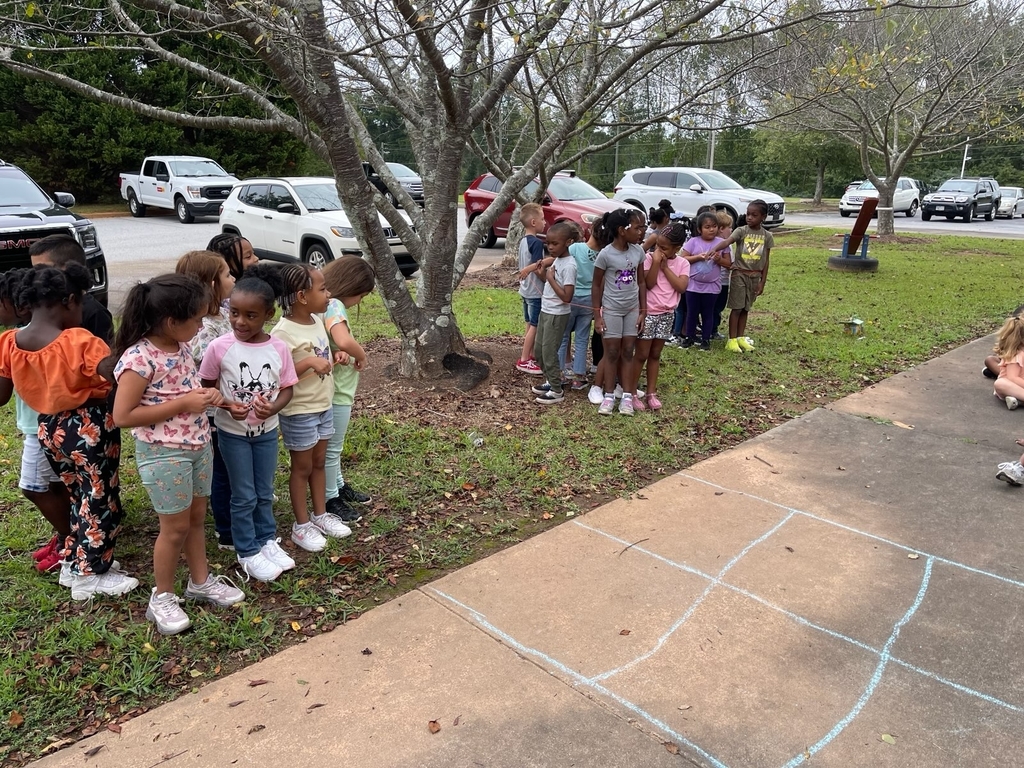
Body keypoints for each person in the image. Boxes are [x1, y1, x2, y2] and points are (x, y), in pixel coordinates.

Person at [112, 274, 244, 634]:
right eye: (197, 319)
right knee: (173, 528)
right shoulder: (139, 359)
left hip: (198, 445)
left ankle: (200, 581)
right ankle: (163, 596)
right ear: (172, 321)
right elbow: (123, 415)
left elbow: (187, 390)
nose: (202, 325)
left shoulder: (181, 346)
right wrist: (184, 403)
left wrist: (212, 399)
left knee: (196, 519)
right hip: (163, 454)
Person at [0, 265, 138, 600]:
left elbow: (2, 394)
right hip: (87, 426)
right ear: (69, 300)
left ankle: (75, 563)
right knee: (100, 498)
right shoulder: (79, 341)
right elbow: (113, 374)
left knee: (78, 496)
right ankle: (90, 576)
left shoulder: (8, 342)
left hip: (49, 428)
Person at [199, 265, 299, 582]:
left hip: (267, 434)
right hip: (233, 435)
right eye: (235, 313)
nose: (241, 322)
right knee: (243, 494)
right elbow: (206, 388)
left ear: (268, 314)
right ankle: (247, 550)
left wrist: (273, 408)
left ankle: (267, 539)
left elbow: (287, 389)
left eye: (251, 316)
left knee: (264, 490)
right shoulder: (219, 348)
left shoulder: (279, 348)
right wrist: (228, 404)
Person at [270, 264, 351, 551]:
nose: (328, 294)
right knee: (301, 467)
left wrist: (336, 354)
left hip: (322, 405)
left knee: (319, 462)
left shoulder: (317, 321)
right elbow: (276, 375)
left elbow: (322, 353)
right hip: (299, 410)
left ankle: (320, 515)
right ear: (302, 296)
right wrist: (307, 363)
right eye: (322, 289)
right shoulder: (282, 333)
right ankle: (301, 525)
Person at [0, 269, 70, 574]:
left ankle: (72, 540)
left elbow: (1, 395)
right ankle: (67, 535)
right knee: (57, 485)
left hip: (39, 428)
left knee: (32, 486)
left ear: (20, 304)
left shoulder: (17, 340)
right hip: (56, 426)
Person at [176, 251, 236, 550]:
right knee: (222, 471)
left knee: (229, 467)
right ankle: (226, 530)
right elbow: (203, 373)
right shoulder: (203, 329)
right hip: (214, 412)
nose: (233, 278)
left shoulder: (224, 314)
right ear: (212, 283)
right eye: (227, 274)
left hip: (230, 406)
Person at [321, 256, 376, 523]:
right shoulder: (335, 305)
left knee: (335, 447)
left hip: (335, 388)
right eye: (362, 296)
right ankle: (331, 499)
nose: (360, 302)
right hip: (337, 392)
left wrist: (341, 352)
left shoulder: (321, 304)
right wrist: (361, 355)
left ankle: (339, 484)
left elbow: (334, 344)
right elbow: (343, 338)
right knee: (333, 447)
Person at [593, 208, 647, 416]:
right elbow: (596, 286)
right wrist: (598, 316)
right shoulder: (605, 255)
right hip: (612, 310)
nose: (642, 231)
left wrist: (643, 310)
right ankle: (608, 396)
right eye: (637, 227)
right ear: (621, 230)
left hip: (632, 309)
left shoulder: (638, 252)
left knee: (628, 352)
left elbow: (641, 281)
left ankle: (626, 396)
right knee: (612, 352)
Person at [635, 222, 690, 410]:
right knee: (641, 354)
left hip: (667, 314)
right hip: (649, 312)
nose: (659, 250)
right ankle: (632, 392)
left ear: (677, 248)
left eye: (664, 248)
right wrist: (657, 262)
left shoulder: (682, 263)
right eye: (657, 245)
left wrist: (666, 268)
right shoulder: (649, 259)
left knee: (655, 354)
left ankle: (651, 392)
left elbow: (681, 287)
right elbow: (648, 284)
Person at [29, 234, 114, 345]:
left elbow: (106, 356)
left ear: (70, 268)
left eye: (43, 270)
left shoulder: (95, 313)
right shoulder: (45, 306)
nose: (38, 276)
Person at [532, 222, 577, 405]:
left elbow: (567, 296)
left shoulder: (569, 266)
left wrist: (549, 278)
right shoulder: (558, 260)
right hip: (546, 310)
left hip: (557, 314)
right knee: (539, 351)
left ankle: (557, 391)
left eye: (555, 243)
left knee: (549, 352)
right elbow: (551, 283)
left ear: (568, 242)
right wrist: (542, 274)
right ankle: (551, 380)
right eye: (548, 243)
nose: (550, 247)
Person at [721, 200, 774, 353]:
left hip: (755, 277)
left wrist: (762, 282)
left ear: (763, 217)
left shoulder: (767, 236)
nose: (749, 217)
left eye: (754, 215)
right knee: (736, 308)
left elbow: (766, 260)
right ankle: (731, 340)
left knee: (745, 308)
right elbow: (727, 241)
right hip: (739, 274)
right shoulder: (741, 231)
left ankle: (740, 338)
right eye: (748, 214)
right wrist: (713, 249)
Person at [680, 211, 730, 351]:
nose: (711, 229)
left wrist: (719, 260)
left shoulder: (722, 243)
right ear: (699, 229)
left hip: (712, 286)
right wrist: (698, 257)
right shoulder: (693, 242)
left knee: (708, 312)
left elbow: (729, 263)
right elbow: (683, 259)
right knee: (692, 312)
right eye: (707, 227)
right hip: (693, 285)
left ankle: (706, 339)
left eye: (714, 226)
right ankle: (689, 337)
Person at [559, 224, 597, 390]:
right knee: (582, 338)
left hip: (571, 297)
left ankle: (560, 374)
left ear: (592, 230)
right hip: (590, 300)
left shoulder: (575, 247)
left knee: (563, 336)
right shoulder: (603, 253)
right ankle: (579, 377)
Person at [515, 203, 547, 375]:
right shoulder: (536, 243)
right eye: (542, 219)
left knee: (529, 324)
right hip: (535, 292)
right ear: (533, 222)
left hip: (525, 290)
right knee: (534, 325)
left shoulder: (522, 241)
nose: (545, 222)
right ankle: (524, 359)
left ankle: (530, 354)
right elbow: (538, 265)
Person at [710, 210, 735, 341]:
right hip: (719, 282)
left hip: (723, 281)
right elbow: (729, 263)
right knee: (716, 307)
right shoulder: (723, 245)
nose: (731, 230)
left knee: (717, 308)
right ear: (720, 229)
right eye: (729, 227)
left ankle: (712, 329)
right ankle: (712, 330)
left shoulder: (728, 244)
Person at [991, 316, 1024, 410]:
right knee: (1000, 383)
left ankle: (1017, 401)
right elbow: (1013, 378)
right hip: (1012, 386)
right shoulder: (1016, 355)